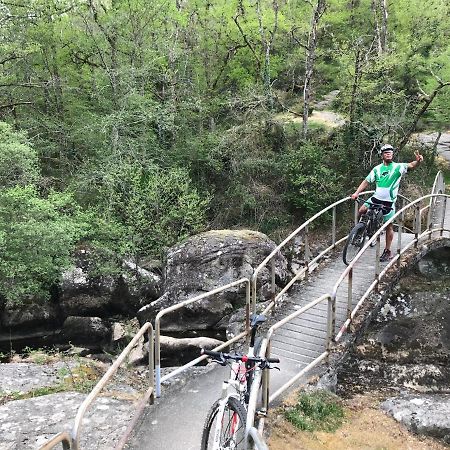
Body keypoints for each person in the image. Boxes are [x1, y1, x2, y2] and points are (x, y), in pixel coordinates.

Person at [351, 144, 424, 262]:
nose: (389, 153)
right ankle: (359, 232)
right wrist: (356, 193)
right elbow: (366, 181)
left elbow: (411, 165)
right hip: (376, 198)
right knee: (362, 210)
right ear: (382, 155)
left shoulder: (398, 167)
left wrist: (418, 161)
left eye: (390, 152)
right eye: (386, 152)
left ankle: (388, 251)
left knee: (389, 226)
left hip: (388, 202)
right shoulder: (377, 169)